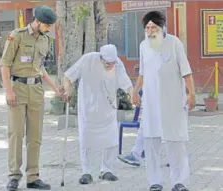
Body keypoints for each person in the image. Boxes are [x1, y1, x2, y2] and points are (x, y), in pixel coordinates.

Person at [133, 11, 196, 191]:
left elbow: (186, 72)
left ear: (162, 27)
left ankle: (180, 182)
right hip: (151, 104)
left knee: (175, 142)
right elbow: (142, 73)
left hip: (173, 102)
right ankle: (155, 181)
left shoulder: (174, 43)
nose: (150, 30)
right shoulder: (144, 45)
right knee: (151, 142)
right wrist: (135, 92)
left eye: (154, 27)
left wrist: (191, 94)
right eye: (147, 27)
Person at [0, 5, 60, 191]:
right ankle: (14, 176)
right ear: (38, 21)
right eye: (47, 25)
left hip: (36, 91)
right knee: (16, 134)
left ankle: (33, 176)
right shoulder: (17, 35)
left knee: (35, 137)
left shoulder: (45, 40)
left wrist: (55, 88)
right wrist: (8, 91)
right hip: (17, 89)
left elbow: (40, 68)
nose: (49, 28)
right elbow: (4, 64)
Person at [63, 44, 133, 184]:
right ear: (101, 58)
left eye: (112, 63)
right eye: (108, 63)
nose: (110, 66)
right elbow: (68, 76)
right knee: (86, 140)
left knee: (111, 140)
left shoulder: (117, 64)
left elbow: (127, 84)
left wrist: (132, 96)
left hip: (108, 110)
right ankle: (86, 172)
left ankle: (106, 170)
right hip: (88, 109)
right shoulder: (88, 60)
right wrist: (68, 90)